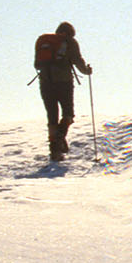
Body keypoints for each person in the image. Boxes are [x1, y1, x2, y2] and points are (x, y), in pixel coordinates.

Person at [36, 21, 92, 161]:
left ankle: (55, 148)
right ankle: (58, 141)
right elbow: (77, 60)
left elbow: (36, 64)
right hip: (64, 82)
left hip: (45, 82)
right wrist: (86, 71)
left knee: (52, 115)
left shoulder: (44, 41)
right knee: (68, 114)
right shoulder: (70, 42)